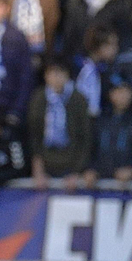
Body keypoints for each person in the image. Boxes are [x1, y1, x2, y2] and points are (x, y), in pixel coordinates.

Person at [28, 55, 92, 184]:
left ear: (67, 75)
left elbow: (86, 137)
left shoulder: (78, 99)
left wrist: (77, 171)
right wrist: (38, 168)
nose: (56, 77)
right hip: (46, 162)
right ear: (45, 75)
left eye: (60, 72)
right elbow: (33, 134)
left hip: (71, 162)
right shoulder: (38, 98)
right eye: (52, 73)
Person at [86, 74, 132, 183]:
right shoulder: (100, 120)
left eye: (126, 90)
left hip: (130, 186)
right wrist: (90, 169)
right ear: (110, 94)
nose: (122, 95)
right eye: (118, 91)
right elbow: (91, 148)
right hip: (99, 185)